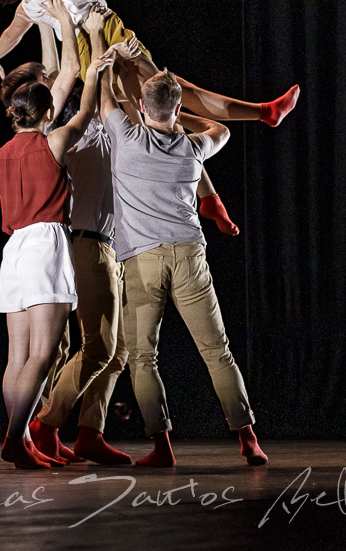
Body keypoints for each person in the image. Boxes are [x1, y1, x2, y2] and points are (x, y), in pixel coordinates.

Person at [96, 56, 270, 467]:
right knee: (217, 351)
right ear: (177, 108)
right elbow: (221, 128)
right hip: (189, 254)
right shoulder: (193, 149)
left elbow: (104, 101)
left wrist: (105, 65)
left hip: (142, 260)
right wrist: (180, 116)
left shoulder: (127, 138)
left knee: (143, 358)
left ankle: (162, 448)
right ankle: (248, 440)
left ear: (141, 106)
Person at [0, 0, 300, 132]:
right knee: (162, 97)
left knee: (167, 95)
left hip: (100, 37)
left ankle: (260, 116)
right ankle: (257, 118)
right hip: (98, 39)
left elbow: (12, 33)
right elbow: (18, 7)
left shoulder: (30, 2)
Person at [0, 37, 113, 469]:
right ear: (47, 113)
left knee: (17, 356)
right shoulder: (54, 141)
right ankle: (15, 438)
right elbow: (85, 112)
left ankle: (21, 438)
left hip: (13, 249)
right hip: (45, 243)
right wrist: (94, 73)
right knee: (43, 354)